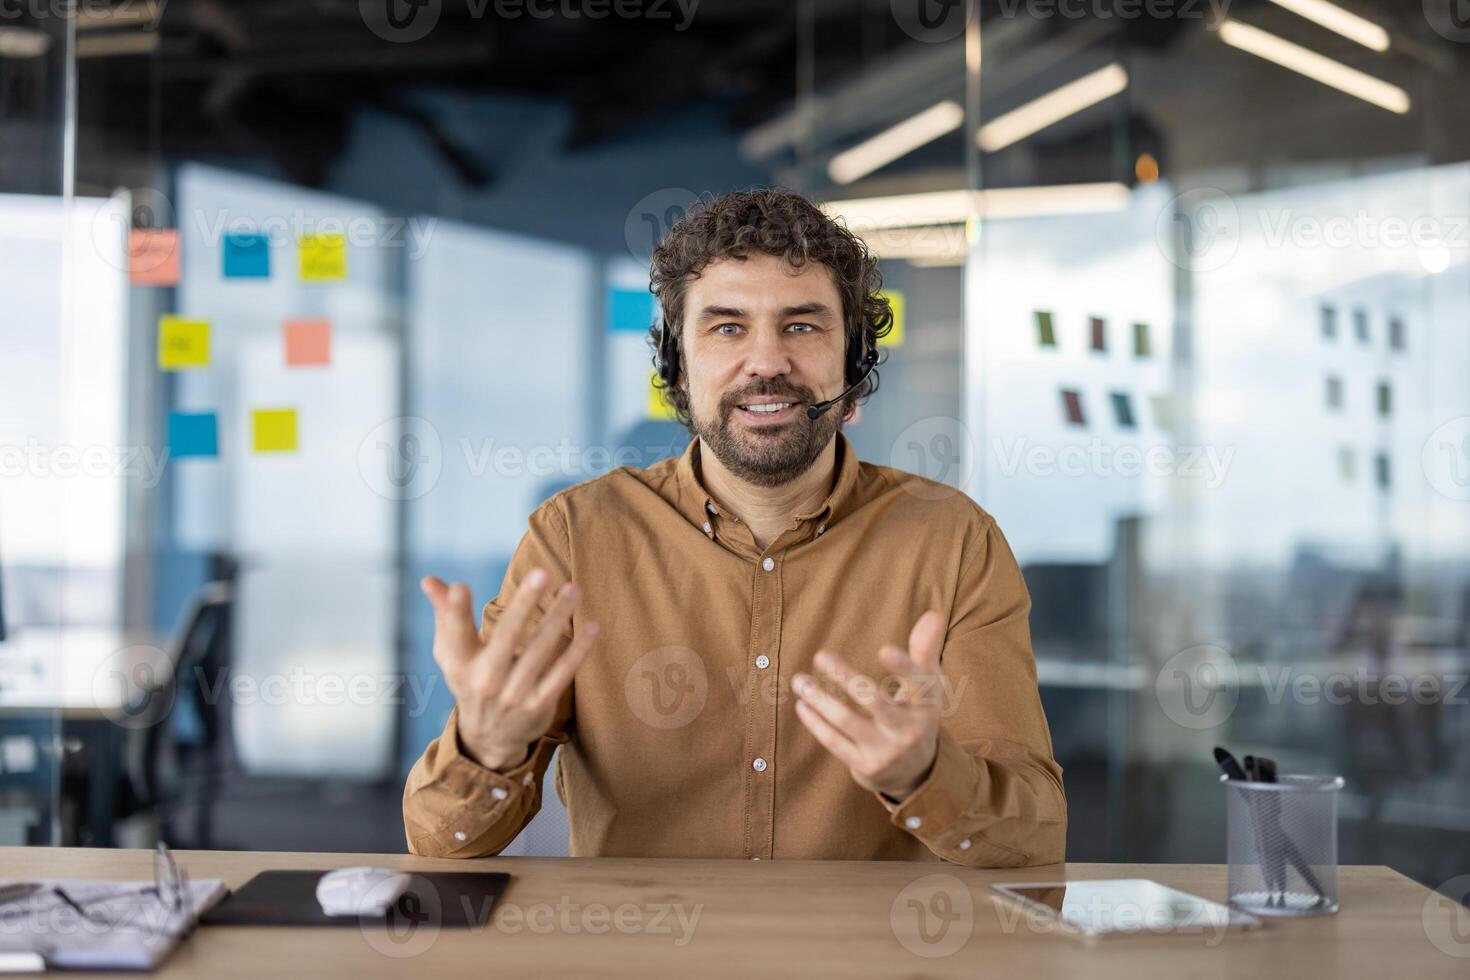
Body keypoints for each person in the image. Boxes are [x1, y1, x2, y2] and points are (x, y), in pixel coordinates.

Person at [403, 189, 1067, 866]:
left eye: (803, 327)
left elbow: (1034, 839)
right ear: (678, 365)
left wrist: (924, 777)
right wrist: (485, 749)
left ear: (857, 361)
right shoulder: (575, 537)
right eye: (727, 328)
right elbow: (439, 843)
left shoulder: (953, 540)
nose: (767, 361)